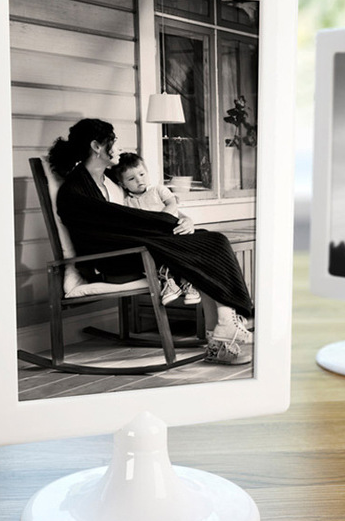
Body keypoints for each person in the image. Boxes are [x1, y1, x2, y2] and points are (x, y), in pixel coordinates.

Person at [48, 118, 254, 365]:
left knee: (210, 241)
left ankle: (220, 335)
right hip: (115, 259)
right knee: (213, 242)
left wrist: (182, 219)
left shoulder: (110, 180)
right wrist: (166, 223)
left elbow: (137, 211)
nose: (119, 147)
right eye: (113, 141)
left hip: (136, 245)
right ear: (96, 146)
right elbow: (113, 226)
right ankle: (223, 332)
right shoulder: (75, 190)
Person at [108, 151, 201, 307]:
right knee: (157, 253)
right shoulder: (127, 202)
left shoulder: (158, 190)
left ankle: (188, 283)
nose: (139, 180)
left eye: (142, 174)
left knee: (182, 250)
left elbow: (172, 204)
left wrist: (160, 220)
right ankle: (170, 283)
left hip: (170, 230)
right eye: (131, 179)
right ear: (123, 184)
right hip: (152, 238)